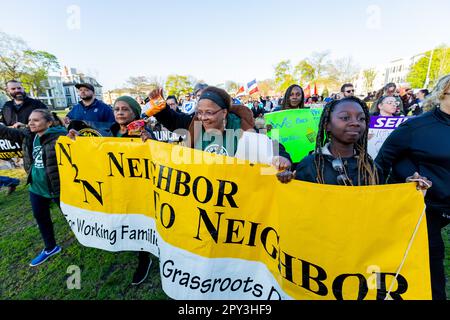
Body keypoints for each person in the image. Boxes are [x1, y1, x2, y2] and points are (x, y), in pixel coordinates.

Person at [375, 74, 450, 300]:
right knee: (431, 267)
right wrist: (406, 179)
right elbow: (383, 161)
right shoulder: (416, 127)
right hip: (426, 210)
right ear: (443, 94)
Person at [68, 96, 154, 286]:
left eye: (125, 109)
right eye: (116, 109)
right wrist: (77, 140)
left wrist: (149, 141)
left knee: (140, 221)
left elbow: (156, 155)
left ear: (135, 113)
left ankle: (144, 258)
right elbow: (95, 150)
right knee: (124, 219)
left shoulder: (143, 132)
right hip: (115, 187)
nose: (120, 112)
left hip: (138, 189)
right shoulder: (109, 131)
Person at [276, 97, 431, 188]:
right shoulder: (309, 165)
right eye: (345, 117)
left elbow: (381, 205)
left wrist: (410, 190)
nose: (355, 123)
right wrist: (286, 182)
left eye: (361, 118)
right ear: (327, 125)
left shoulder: (371, 168)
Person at [145, 86, 292, 168]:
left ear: (224, 112)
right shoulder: (195, 125)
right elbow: (173, 121)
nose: (203, 118)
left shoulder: (245, 128)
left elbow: (273, 147)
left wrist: (282, 159)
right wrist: (160, 107)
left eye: (209, 113)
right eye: (200, 112)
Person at [0, 109, 67, 266]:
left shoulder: (61, 138)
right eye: (30, 120)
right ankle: (50, 247)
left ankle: (91, 238)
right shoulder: (29, 135)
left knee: (73, 217)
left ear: (49, 123)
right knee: (41, 217)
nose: (31, 123)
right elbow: (6, 132)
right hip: (36, 187)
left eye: (36, 120)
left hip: (58, 188)